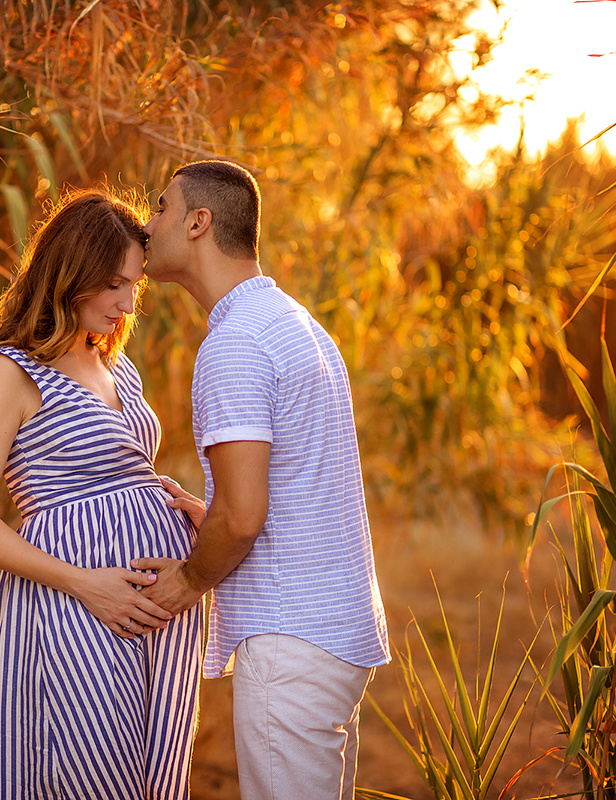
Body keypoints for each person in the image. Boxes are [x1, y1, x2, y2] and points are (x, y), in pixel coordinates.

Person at [134, 160, 391, 800]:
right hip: (332, 630)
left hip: (290, 640)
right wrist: (213, 515)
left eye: (161, 207)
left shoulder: (236, 343)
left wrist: (187, 580)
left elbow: (244, 516)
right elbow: (297, 485)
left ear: (198, 222)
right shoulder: (292, 323)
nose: (148, 224)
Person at [0, 189, 202, 800]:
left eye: (135, 284)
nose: (127, 302)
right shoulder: (12, 371)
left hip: (151, 616)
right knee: (87, 772)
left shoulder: (116, 364)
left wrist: (183, 509)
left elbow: (122, 474)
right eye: (113, 284)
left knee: (148, 778)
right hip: (75, 607)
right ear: (69, 274)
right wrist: (85, 584)